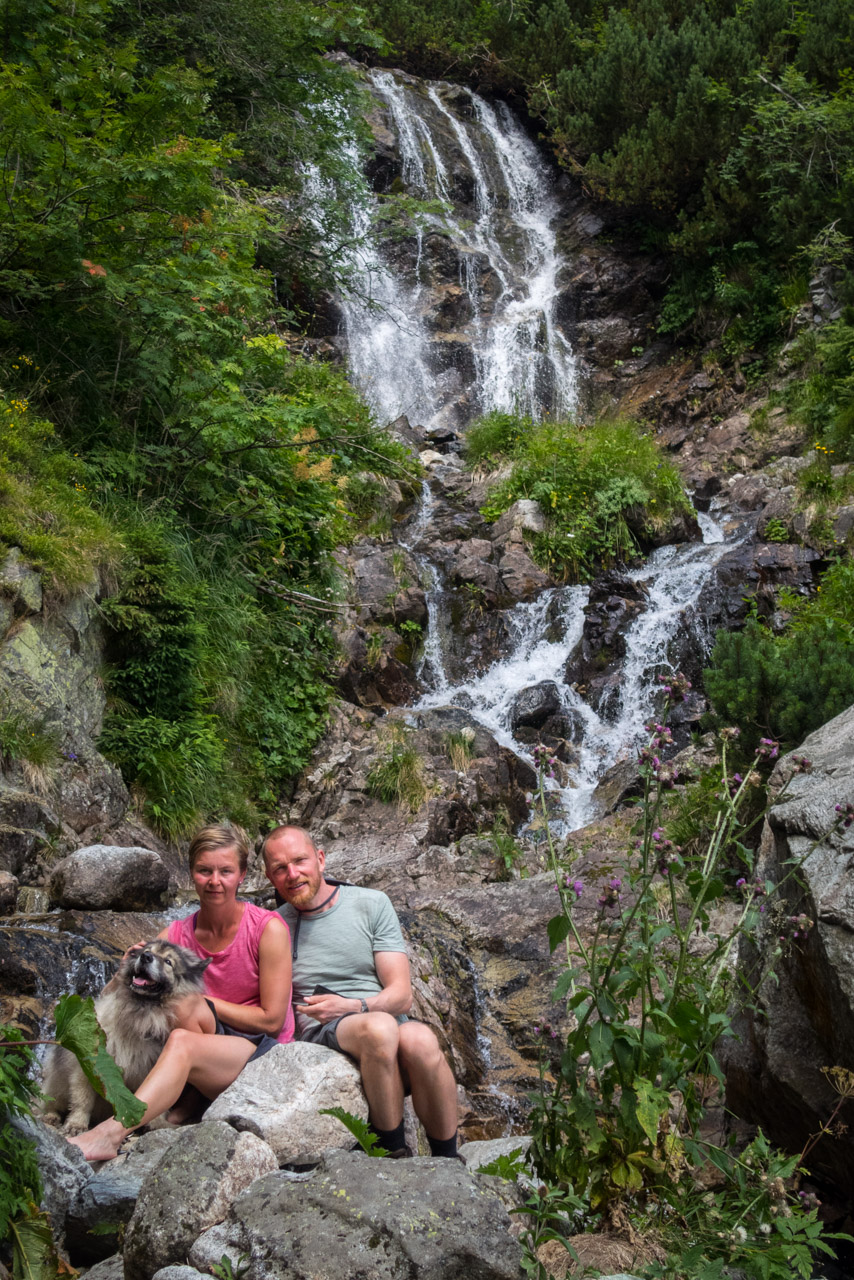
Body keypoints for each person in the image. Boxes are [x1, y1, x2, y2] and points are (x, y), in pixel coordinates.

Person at [69, 823, 293, 1161]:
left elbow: (273, 1020)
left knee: (184, 1011)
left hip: (261, 1053)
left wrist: (203, 1001)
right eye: (204, 871)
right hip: (211, 1048)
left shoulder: (268, 929)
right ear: (191, 873)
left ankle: (110, 1133)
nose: (215, 881)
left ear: (243, 875)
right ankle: (184, 1104)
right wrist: (123, 972)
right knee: (172, 1008)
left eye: (225, 871)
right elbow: (113, 1003)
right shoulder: (176, 932)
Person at [262, 824, 460, 1160]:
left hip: (374, 1013)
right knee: (379, 1029)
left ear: (320, 860)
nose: (292, 874)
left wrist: (351, 1005)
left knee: (421, 1039)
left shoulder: (371, 904)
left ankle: (448, 1158)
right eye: (280, 868)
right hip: (322, 1030)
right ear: (270, 877)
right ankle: (391, 1151)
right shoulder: (273, 925)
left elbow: (402, 995)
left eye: (300, 861)